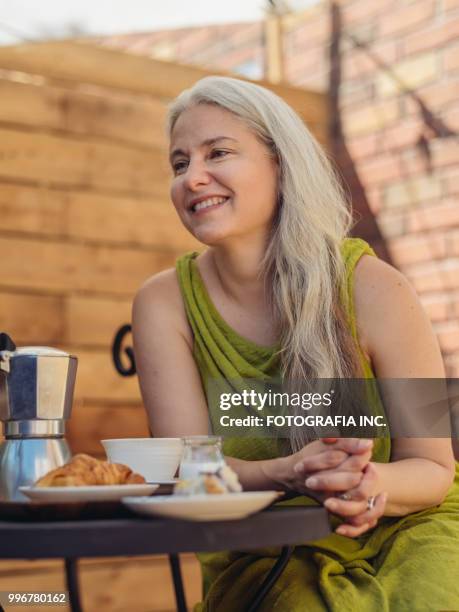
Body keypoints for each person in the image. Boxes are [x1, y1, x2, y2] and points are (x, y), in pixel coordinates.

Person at [132, 76, 459, 611]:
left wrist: (366, 481)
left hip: (412, 530)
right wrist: (286, 473)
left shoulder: (380, 287)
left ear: (280, 165)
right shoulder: (163, 304)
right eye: (179, 163)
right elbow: (186, 468)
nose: (194, 177)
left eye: (218, 152)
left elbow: (433, 468)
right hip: (265, 553)